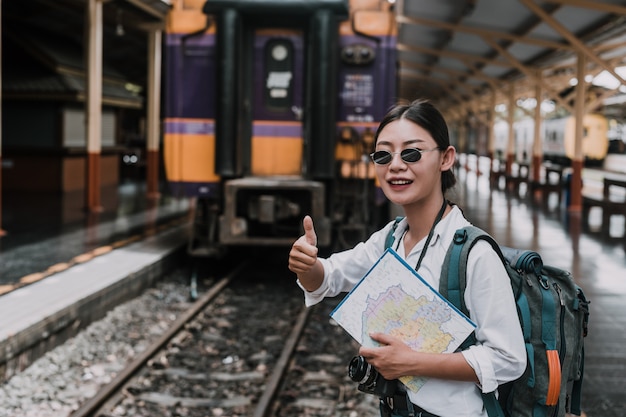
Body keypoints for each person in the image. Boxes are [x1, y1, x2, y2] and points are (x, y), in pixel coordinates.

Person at [288, 99, 526, 417]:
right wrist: (308, 265)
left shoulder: (474, 254)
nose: (396, 165)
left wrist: (412, 363)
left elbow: (509, 359)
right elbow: (329, 277)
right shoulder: (391, 238)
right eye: (383, 155)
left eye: (411, 153)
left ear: (446, 158)